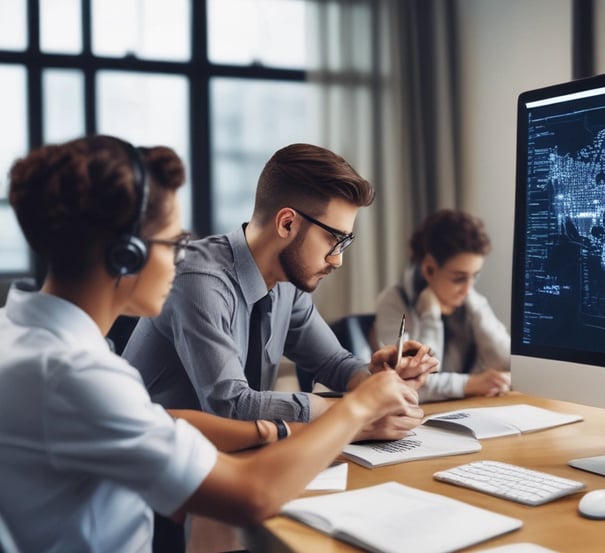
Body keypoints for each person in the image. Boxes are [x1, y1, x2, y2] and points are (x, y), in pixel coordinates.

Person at [0, 135, 419, 553]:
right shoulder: (78, 376)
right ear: (126, 256)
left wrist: (286, 425)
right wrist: (356, 408)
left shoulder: (26, 337)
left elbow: (162, 418)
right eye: (174, 242)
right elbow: (251, 494)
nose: (183, 258)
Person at [122, 143, 438, 425]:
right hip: (149, 472)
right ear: (287, 223)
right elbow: (229, 404)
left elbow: (333, 363)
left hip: (229, 460)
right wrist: (351, 415)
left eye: (345, 242)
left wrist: (379, 379)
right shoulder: (199, 281)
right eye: (334, 239)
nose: (337, 259)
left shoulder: (287, 281)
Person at [375, 208, 512, 403]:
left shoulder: (471, 299)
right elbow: (410, 383)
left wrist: (475, 306)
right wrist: (431, 314)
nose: (468, 288)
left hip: (472, 408)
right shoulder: (394, 301)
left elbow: (507, 362)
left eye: (475, 276)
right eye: (459, 278)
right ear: (429, 268)